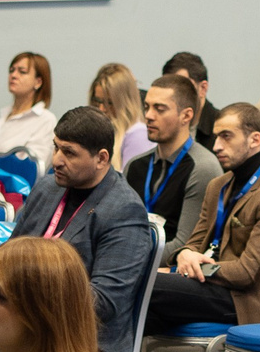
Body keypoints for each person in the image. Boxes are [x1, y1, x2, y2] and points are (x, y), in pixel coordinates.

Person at [0, 106, 154, 352]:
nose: (56, 160)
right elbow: (9, 253)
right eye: (56, 148)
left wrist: (18, 293)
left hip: (68, 343)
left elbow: (102, 303)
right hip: (5, 319)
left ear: (102, 158)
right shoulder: (48, 188)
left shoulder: (123, 210)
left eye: (69, 153)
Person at [146, 103, 260, 334]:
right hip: (206, 286)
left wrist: (194, 269)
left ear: (254, 140)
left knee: (145, 284)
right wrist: (185, 254)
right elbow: (194, 242)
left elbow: (247, 272)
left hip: (243, 300)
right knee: (133, 311)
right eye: (217, 136)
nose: (217, 146)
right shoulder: (217, 185)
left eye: (226, 137)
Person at [126, 72, 216, 243]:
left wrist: (128, 257)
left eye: (159, 109)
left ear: (186, 116)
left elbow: (185, 244)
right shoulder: (135, 165)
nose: (149, 116)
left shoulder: (203, 168)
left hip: (170, 267)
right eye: (146, 107)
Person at [0, 50, 56, 168]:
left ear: (38, 82)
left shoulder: (45, 120)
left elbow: (33, 169)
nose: (13, 75)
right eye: (11, 70)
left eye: (22, 72)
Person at [88, 60, 151, 162]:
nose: (101, 109)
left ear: (125, 103)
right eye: (97, 101)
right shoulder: (100, 132)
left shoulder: (137, 135)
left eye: (109, 103)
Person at [162, 50, 212, 127]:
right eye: (168, 87)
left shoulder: (218, 128)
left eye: (181, 86)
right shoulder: (161, 123)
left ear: (203, 88)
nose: (173, 95)